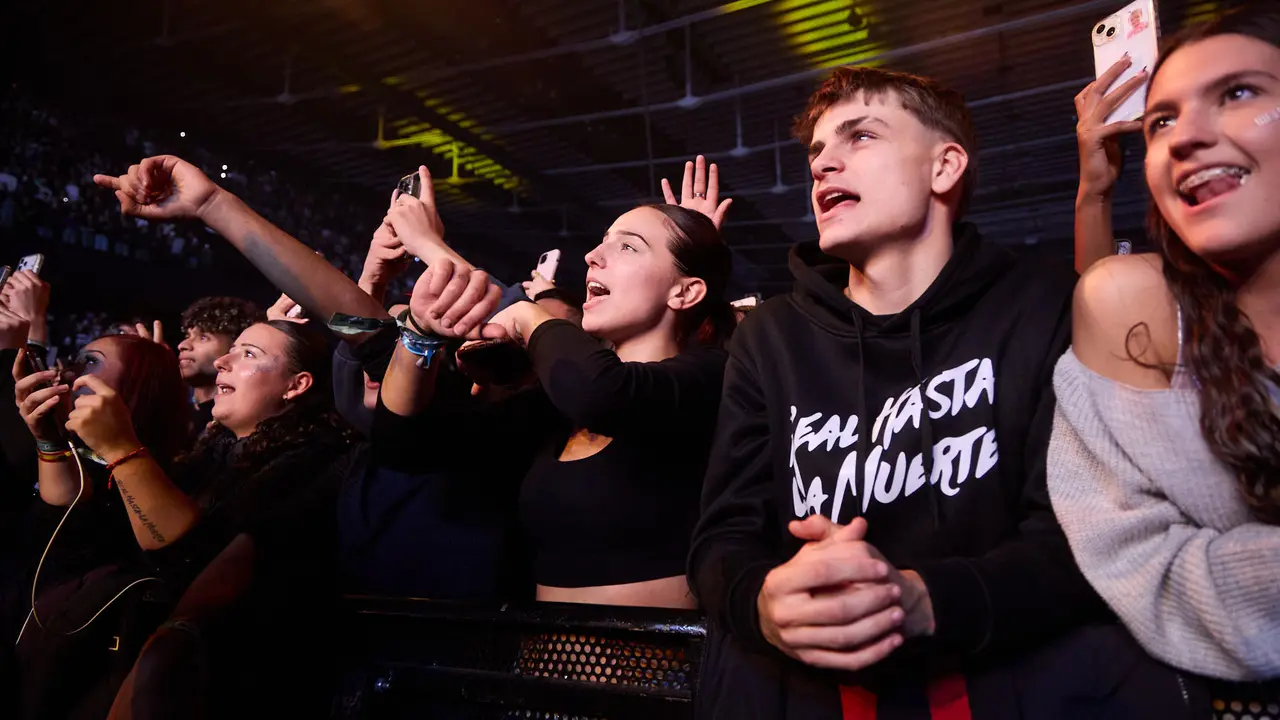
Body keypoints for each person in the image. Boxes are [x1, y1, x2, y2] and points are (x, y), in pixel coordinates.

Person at [686, 66, 1163, 719]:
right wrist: (761, 600)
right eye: (817, 151)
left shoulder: (1043, 305)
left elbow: (1082, 537)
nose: (822, 165)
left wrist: (923, 599)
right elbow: (721, 537)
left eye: (860, 136)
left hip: (1010, 690)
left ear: (944, 167)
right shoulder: (770, 337)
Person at [376, 155, 736, 610]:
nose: (592, 256)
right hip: (547, 654)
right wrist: (420, 334)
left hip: (660, 656)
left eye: (628, 247)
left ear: (685, 291)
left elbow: (605, 392)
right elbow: (403, 445)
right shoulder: (554, 406)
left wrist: (525, 313)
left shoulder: (712, 376)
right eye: (603, 241)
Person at [1048, 4, 1280, 701]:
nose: (1186, 137)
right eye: (1160, 122)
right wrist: (1094, 192)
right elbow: (1144, 566)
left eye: (1238, 92)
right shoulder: (1141, 316)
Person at [175, 296, 264, 437]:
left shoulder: (241, 425)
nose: (183, 345)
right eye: (187, 336)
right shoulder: (176, 412)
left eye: (203, 337)